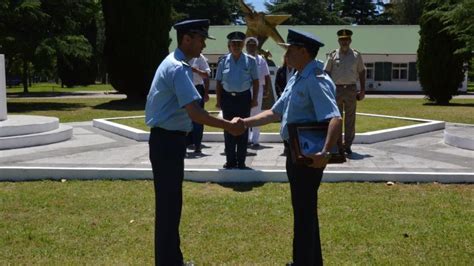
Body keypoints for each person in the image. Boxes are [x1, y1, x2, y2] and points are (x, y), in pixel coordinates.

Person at [145, 19, 245, 266]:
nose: (202, 45)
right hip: (167, 142)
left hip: (167, 141)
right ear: (186, 39)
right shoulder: (178, 68)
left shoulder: (176, 63)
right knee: (169, 206)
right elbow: (196, 113)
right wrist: (229, 126)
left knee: (170, 204)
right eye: (200, 39)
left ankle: (171, 260)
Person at [239, 29, 342, 265]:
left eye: (291, 50)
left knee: (305, 210)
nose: (286, 54)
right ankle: (306, 260)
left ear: (303, 51)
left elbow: (334, 117)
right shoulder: (297, 76)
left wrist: (325, 152)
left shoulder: (316, 79)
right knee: (303, 210)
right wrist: (245, 122)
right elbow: (275, 112)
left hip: (309, 156)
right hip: (294, 152)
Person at [215, 31, 259, 169]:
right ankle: (230, 161)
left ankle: (241, 162)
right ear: (229, 45)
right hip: (228, 99)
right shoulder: (223, 61)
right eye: (233, 44)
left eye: (239, 44)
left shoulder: (250, 61)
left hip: (243, 99)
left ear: (243, 45)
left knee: (243, 129)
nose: (236, 46)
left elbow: (256, 81)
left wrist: (254, 99)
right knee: (228, 129)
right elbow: (218, 82)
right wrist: (218, 100)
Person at [324, 28, 366, 155]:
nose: (344, 42)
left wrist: (363, 90)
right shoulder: (332, 55)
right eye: (342, 40)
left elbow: (362, 71)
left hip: (351, 89)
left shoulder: (356, 55)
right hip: (336, 89)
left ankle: (347, 145)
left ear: (350, 40)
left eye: (346, 39)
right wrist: (326, 90)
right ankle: (337, 145)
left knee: (350, 119)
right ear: (338, 41)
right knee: (336, 118)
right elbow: (326, 72)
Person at [245, 36, 272, 147]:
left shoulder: (261, 59)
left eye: (253, 45)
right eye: (249, 45)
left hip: (259, 89)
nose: (251, 47)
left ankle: (255, 140)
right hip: (245, 89)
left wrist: (267, 89)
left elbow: (267, 76)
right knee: (245, 114)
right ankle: (246, 139)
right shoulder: (243, 59)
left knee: (256, 114)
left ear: (256, 46)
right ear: (246, 47)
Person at [187, 53, 211, 154]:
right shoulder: (180, 56)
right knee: (185, 117)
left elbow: (206, 75)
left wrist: (196, 70)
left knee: (198, 118)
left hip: (197, 89)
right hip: (185, 88)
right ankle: (186, 144)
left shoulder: (199, 57)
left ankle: (197, 145)